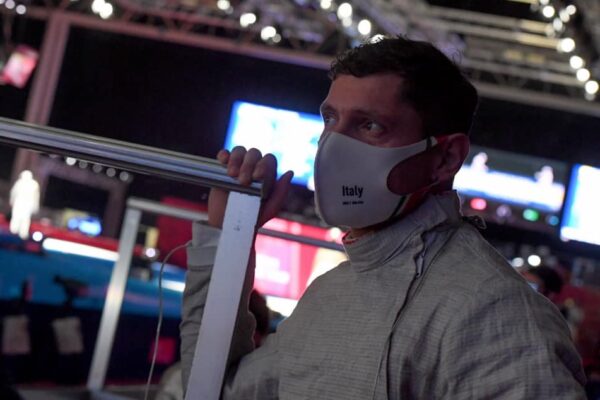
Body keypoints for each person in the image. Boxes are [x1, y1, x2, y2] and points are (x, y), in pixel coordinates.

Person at [180, 37, 586, 399]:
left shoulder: (492, 309)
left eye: (370, 125)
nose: (333, 145)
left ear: (445, 158)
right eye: (330, 119)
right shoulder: (329, 293)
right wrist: (227, 237)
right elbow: (215, 390)